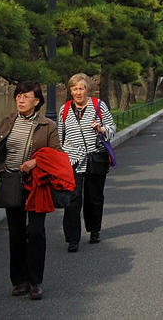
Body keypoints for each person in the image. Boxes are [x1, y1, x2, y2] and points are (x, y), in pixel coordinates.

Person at [0, 81, 63, 300]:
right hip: (11, 182)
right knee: (15, 233)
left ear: (37, 100)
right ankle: (19, 280)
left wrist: (36, 162)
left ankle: (35, 282)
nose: (21, 100)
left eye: (26, 96)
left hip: (36, 185)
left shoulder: (47, 125)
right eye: (18, 96)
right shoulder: (8, 122)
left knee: (35, 232)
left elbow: (58, 156)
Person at [58, 73, 116, 252]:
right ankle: (72, 238)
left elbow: (112, 128)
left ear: (87, 90)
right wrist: (60, 158)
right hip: (72, 161)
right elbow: (60, 136)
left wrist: (101, 128)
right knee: (72, 200)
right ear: (70, 91)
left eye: (81, 88)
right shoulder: (65, 109)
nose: (78, 92)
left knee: (94, 198)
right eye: (74, 89)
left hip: (95, 159)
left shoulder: (99, 106)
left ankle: (94, 230)